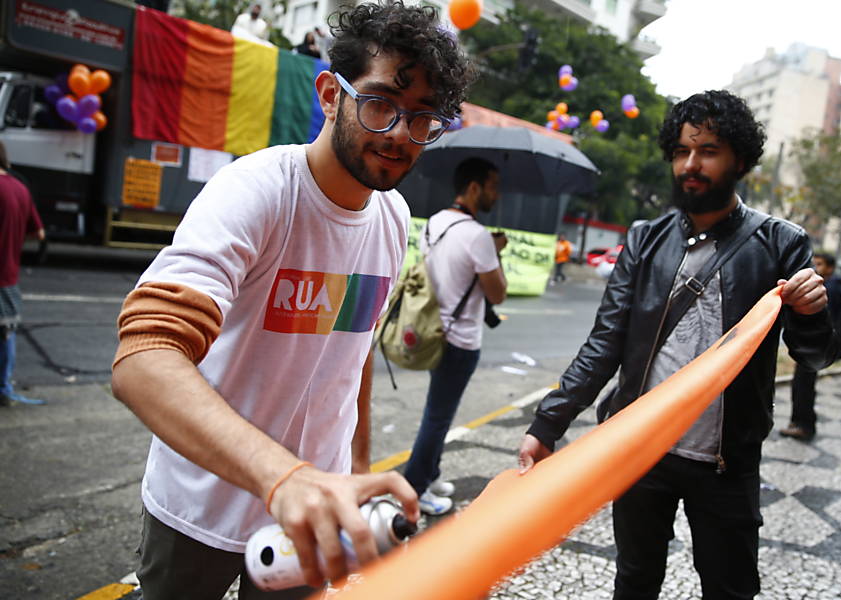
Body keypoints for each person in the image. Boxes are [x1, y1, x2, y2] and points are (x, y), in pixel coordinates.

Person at [110, 3, 473, 598]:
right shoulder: (257, 192)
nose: (398, 135)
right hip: (203, 502)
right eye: (381, 103)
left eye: (421, 118)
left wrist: (356, 470)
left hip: (317, 511)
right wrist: (284, 478)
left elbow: (353, 352)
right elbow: (144, 357)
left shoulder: (393, 215)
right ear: (330, 95)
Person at [518, 90, 833, 600]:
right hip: (641, 449)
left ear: (739, 160)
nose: (691, 164)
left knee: (729, 590)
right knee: (635, 581)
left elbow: (814, 355)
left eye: (708, 151)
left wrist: (813, 312)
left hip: (726, 460)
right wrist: (547, 423)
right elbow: (606, 342)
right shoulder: (645, 238)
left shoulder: (780, 242)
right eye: (682, 151)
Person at [403, 157, 507, 516]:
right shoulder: (478, 236)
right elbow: (497, 294)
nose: (497, 194)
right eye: (493, 186)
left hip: (433, 332)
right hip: (460, 341)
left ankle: (430, 474)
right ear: (474, 188)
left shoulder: (435, 223)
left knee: (438, 412)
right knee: (437, 419)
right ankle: (414, 490)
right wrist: (496, 252)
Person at [781, 252, 841, 441]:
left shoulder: (829, 288)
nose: (816, 267)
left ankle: (804, 425)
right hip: (817, 342)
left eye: (820, 264)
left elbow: (822, 316)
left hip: (817, 342)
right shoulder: (833, 285)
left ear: (830, 268)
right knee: (803, 384)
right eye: (815, 263)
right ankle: (800, 422)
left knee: (803, 384)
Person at [0, 141, 46, 407]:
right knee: (6, 332)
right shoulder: (20, 189)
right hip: (8, 275)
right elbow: (38, 233)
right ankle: (4, 387)